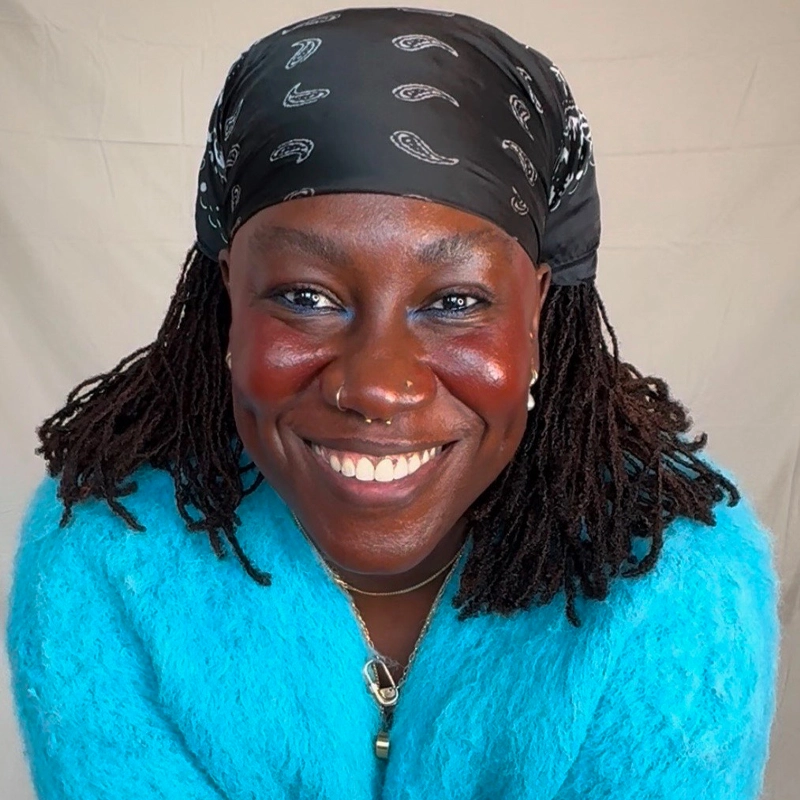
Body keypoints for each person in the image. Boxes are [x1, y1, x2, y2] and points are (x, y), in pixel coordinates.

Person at [5, 7, 779, 800]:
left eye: (454, 302)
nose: (376, 387)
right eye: (305, 295)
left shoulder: (673, 580)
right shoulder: (106, 560)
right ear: (226, 301)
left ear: (539, 311)